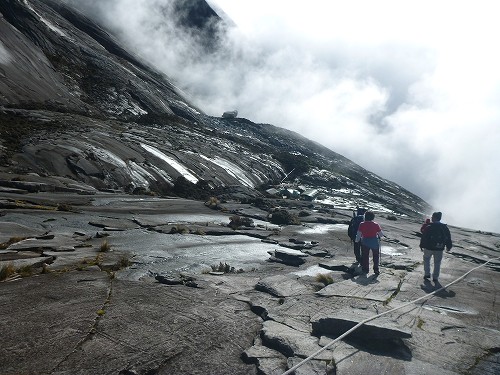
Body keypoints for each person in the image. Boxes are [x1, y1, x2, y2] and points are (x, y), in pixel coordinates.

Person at [419, 211, 452, 282]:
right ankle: (435, 277)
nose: (431, 218)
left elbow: (424, 236)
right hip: (439, 248)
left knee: (426, 259)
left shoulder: (429, 226)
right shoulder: (444, 227)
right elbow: (448, 237)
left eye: (432, 217)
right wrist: (448, 246)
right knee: (437, 262)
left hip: (428, 247)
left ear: (434, 218)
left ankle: (427, 274)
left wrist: (421, 245)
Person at [355, 210, 384, 275]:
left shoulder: (362, 224)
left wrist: (357, 240)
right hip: (374, 241)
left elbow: (358, 234)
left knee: (365, 256)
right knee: (376, 256)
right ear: (372, 217)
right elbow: (381, 234)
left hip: (365, 241)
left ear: (365, 217)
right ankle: (376, 269)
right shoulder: (376, 224)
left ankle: (366, 269)